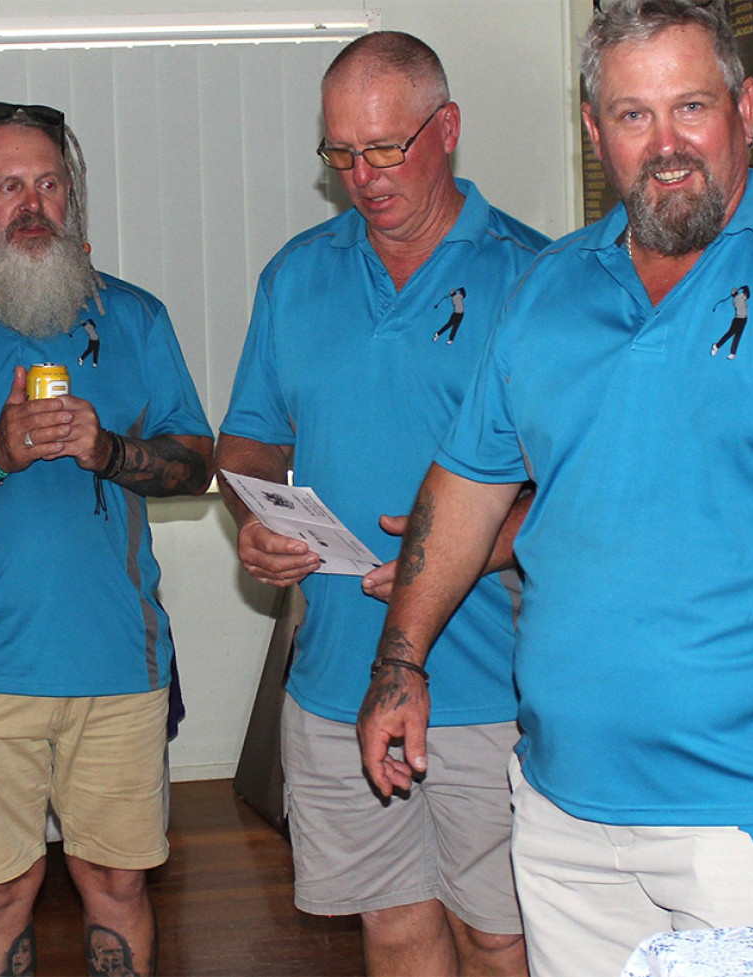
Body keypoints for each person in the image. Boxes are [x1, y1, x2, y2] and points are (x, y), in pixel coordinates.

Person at [355, 3, 753, 975]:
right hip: (558, 806)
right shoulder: (543, 289)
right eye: (631, 116)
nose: (664, 147)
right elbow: (463, 486)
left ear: (743, 108)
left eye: (690, 107)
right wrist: (398, 660)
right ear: (593, 133)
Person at [216, 32, 546, 977]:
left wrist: (465, 549)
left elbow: (585, 483)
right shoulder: (295, 275)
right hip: (331, 683)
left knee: (502, 937)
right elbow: (248, 437)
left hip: (495, 686)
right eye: (340, 155)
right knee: (394, 927)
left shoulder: (538, 279)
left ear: (446, 129)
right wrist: (255, 519)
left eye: (385, 149)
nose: (361, 177)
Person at [0, 101, 214, 977]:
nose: (32, 203)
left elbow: (198, 464)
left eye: (49, 183)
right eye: (8, 184)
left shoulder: (135, 319)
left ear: (72, 197)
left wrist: (108, 450)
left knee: (117, 885)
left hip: (118, 663)